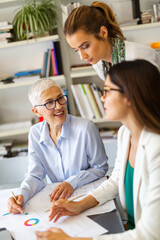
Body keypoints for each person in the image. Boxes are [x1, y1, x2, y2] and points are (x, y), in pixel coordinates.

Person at [35, 59, 160, 240]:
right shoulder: (126, 133)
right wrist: (79, 204)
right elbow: (116, 179)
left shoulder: (156, 148)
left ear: (130, 96)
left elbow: (150, 234)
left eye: (107, 91)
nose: (102, 98)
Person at [7, 78, 108, 214]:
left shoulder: (86, 128)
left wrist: (72, 182)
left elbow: (100, 168)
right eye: (49, 102)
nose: (59, 106)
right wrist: (22, 195)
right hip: (58, 201)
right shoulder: (35, 133)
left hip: (86, 198)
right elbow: (35, 175)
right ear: (36, 111)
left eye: (61, 98)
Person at [63, 1, 160, 81]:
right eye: (76, 50)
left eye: (85, 46)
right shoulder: (99, 64)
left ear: (103, 32)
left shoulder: (138, 57)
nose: (82, 57)